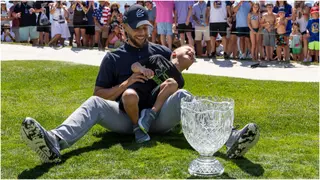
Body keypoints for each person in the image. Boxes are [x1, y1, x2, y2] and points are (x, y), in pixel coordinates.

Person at [20, 4, 260, 163]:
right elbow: (100, 93)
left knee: (184, 95)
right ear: (124, 29)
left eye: (146, 27)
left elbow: (175, 74)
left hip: (158, 117)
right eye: (138, 29)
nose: (144, 32)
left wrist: (185, 59)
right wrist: (127, 83)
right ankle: (54, 142)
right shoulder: (113, 57)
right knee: (93, 103)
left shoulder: (161, 51)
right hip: (125, 118)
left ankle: (229, 139)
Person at [120, 45, 195, 143]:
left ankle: (150, 115)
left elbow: (172, 100)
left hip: (154, 103)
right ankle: (137, 128)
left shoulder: (180, 81)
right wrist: (142, 69)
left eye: (194, 55)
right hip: (138, 95)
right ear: (174, 54)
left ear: (188, 67)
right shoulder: (158, 58)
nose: (192, 52)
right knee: (129, 95)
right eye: (188, 49)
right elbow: (134, 66)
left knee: (172, 83)